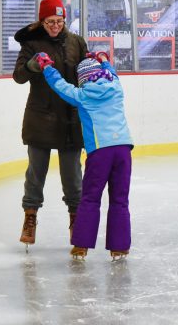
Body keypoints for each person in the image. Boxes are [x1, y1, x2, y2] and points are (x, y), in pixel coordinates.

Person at [39, 51, 134, 261]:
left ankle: (81, 246)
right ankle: (119, 248)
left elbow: (61, 86)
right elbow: (112, 72)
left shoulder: (82, 96)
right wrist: (104, 60)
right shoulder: (116, 87)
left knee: (90, 198)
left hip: (100, 151)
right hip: (124, 150)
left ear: (83, 79)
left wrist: (47, 68)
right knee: (120, 199)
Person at [13, 0, 89, 248]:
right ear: (41, 22)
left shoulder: (77, 43)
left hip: (71, 121)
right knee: (36, 173)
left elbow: (86, 76)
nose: (55, 26)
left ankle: (76, 224)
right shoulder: (32, 44)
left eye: (59, 21)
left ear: (65, 19)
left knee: (73, 177)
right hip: (40, 119)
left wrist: (98, 67)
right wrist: (33, 65)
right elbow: (18, 76)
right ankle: (30, 218)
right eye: (49, 22)